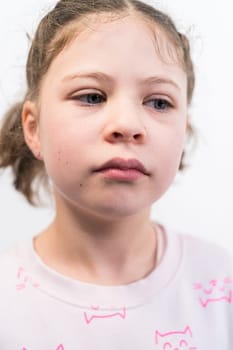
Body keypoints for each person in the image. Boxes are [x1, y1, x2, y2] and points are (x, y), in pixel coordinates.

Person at [0, 0, 232, 349]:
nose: (127, 125)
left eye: (158, 102)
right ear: (33, 129)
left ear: (183, 131)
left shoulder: (221, 283)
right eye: (92, 96)